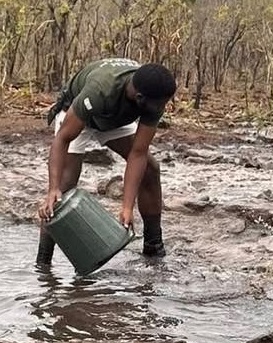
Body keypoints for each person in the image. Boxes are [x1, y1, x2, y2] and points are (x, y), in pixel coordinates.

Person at [37, 58, 177, 261]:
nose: (162, 108)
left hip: (112, 118)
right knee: (63, 190)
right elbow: (63, 139)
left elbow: (138, 154)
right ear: (139, 98)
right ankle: (43, 262)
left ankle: (153, 248)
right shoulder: (101, 89)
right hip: (77, 112)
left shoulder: (154, 97)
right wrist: (53, 189)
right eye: (160, 105)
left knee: (150, 169)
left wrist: (127, 207)